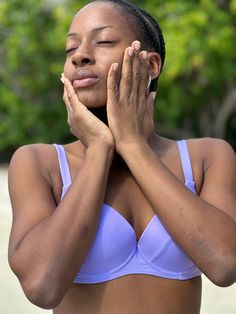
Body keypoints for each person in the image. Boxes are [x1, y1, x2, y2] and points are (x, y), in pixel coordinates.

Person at [8, 0, 236, 313]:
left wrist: (132, 145)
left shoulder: (208, 157)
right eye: (70, 48)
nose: (80, 55)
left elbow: (225, 265)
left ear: (151, 65)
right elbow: (42, 286)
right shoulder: (39, 163)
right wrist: (100, 149)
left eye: (102, 41)